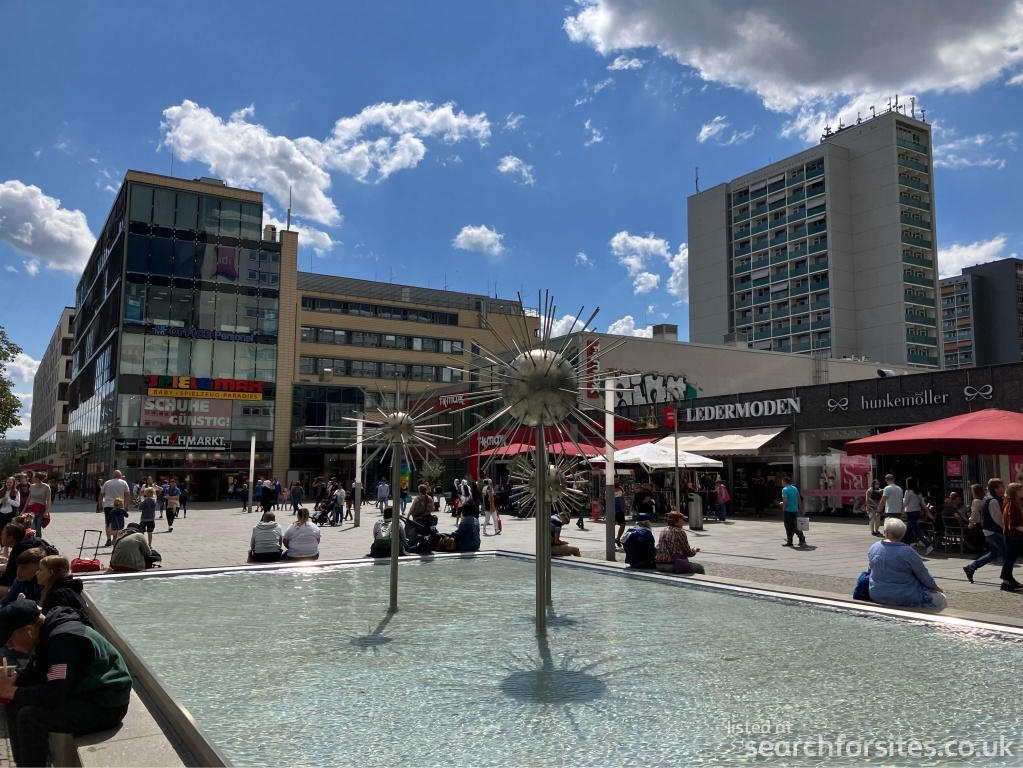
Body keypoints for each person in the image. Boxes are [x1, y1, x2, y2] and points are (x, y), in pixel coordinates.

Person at [0, 600, 132, 767]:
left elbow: (53, 695)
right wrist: (16, 677)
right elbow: (37, 671)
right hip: (84, 692)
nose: (10, 647)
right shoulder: (47, 631)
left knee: (30, 717)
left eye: (10, 641)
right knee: (16, 703)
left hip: (106, 703)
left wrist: (12, 691)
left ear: (29, 630)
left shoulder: (64, 641)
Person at [867, 517, 947, 611]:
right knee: (941, 598)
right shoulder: (908, 552)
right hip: (904, 596)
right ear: (902, 534)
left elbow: (870, 571)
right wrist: (935, 587)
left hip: (877, 593)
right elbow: (924, 576)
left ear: (886, 532)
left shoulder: (874, 548)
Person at [964, 478, 1011, 585]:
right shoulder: (993, 500)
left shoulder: (989, 497)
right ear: (996, 489)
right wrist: (1006, 528)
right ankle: (1007, 579)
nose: (1004, 488)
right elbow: (998, 519)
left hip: (989, 530)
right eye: (1002, 486)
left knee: (992, 554)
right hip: (994, 531)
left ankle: (971, 567)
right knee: (1007, 553)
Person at [0, 524, 51, 599]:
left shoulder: (19, 550)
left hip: (27, 588)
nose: (1, 537)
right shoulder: (30, 540)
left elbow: (8, 579)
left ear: (10, 538)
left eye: (3, 534)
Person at [35, 555, 90, 623]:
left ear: (51, 573)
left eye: (40, 570)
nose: (36, 573)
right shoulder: (69, 589)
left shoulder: (58, 596)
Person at [1000, 482, 1023, 592]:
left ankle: (1007, 580)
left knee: (1010, 558)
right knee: (1010, 558)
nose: (1022, 491)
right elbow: (1013, 522)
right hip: (1013, 536)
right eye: (1020, 490)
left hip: (1013, 535)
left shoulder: (1013, 502)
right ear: (1015, 492)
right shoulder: (1011, 504)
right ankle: (1006, 581)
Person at [902, 477, 933, 555]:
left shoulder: (908, 492)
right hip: (917, 512)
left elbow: (905, 503)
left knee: (915, 530)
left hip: (910, 512)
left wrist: (900, 508)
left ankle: (927, 545)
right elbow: (923, 503)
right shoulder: (918, 492)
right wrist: (927, 511)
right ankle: (909, 544)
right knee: (909, 529)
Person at [100, 471, 131, 547]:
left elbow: (101, 494)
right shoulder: (124, 483)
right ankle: (117, 537)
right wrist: (127, 504)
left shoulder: (107, 483)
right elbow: (127, 494)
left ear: (113, 475)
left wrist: (100, 504)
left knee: (108, 522)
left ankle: (108, 539)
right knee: (119, 521)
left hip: (108, 505)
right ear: (120, 475)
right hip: (119, 505)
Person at [780, 477, 806, 548]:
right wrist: (801, 509)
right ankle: (799, 536)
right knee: (792, 525)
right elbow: (799, 500)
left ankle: (791, 541)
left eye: (782, 482)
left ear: (784, 482)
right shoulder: (795, 489)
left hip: (788, 510)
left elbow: (785, 500)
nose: (782, 483)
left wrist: (783, 507)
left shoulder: (784, 489)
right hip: (795, 509)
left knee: (788, 526)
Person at [613, 480, 626, 548]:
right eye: (616, 480)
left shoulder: (620, 488)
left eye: (618, 480)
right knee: (612, 526)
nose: (617, 482)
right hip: (612, 510)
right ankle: (611, 540)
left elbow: (623, 498)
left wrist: (624, 507)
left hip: (620, 510)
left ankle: (618, 538)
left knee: (622, 524)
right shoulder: (609, 489)